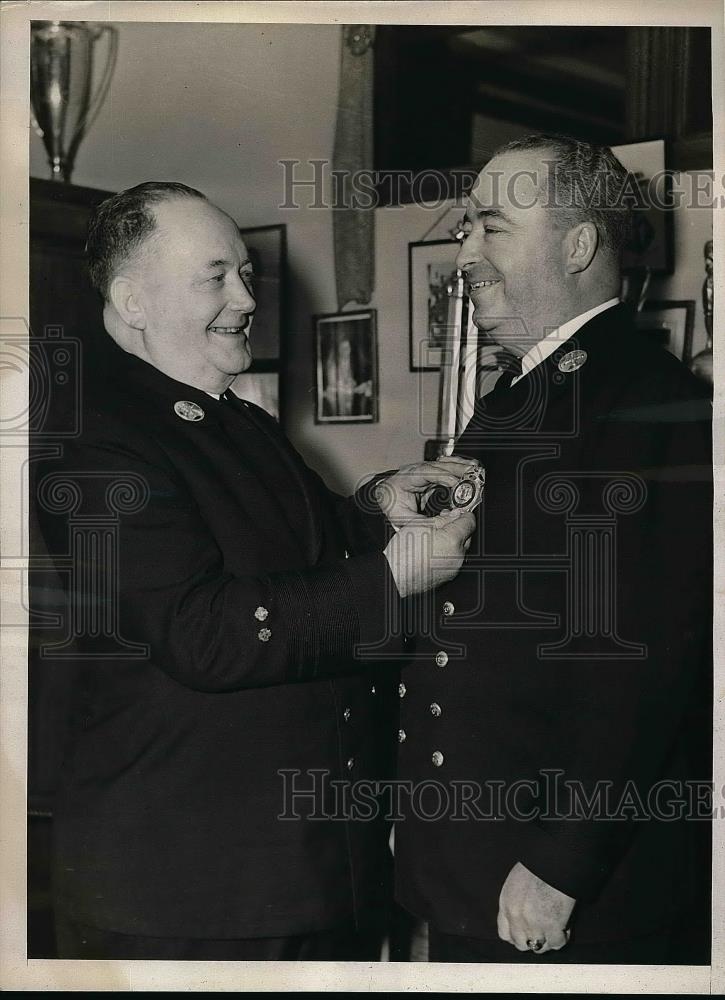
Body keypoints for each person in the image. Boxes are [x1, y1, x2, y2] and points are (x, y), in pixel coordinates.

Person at [32, 181, 477, 960]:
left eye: (246, 273)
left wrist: (378, 505)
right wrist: (391, 580)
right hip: (189, 893)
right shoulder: (97, 442)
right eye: (217, 276)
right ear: (133, 300)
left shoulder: (233, 418)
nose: (246, 297)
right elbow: (201, 632)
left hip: (299, 873)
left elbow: (292, 545)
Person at [389, 135, 712, 963]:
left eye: (489, 228)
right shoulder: (521, 390)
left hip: (565, 887)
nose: (464, 254)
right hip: (478, 860)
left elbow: (639, 663)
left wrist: (560, 861)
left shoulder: (652, 405)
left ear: (575, 245)